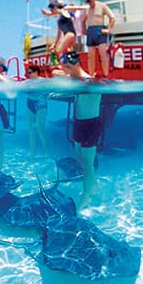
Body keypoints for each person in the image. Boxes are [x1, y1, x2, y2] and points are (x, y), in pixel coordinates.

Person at [60, 51, 102, 209]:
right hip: (78, 124)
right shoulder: (74, 81)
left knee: (88, 164)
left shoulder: (90, 82)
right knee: (80, 160)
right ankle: (93, 184)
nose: (67, 72)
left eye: (68, 68)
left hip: (90, 125)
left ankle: (87, 194)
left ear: (76, 64)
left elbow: (94, 89)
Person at [81, 0, 115, 77]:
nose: (88, 3)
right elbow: (82, 21)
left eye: (90, 1)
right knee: (90, 56)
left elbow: (112, 17)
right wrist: (84, 30)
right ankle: (91, 76)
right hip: (91, 31)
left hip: (100, 30)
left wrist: (108, 29)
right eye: (87, 1)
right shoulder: (87, 9)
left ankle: (106, 75)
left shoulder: (102, 6)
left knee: (102, 53)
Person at [25, 64, 48, 156]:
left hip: (41, 105)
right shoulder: (27, 82)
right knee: (31, 130)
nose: (28, 74)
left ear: (36, 72)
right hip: (30, 104)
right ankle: (32, 152)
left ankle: (46, 151)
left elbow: (51, 89)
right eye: (28, 72)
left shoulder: (44, 81)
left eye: (30, 72)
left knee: (40, 129)